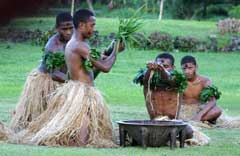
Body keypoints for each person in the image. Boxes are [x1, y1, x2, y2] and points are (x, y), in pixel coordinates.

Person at [19, 9, 123, 147]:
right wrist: (115, 51)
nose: (94, 29)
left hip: (79, 89)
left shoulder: (75, 44)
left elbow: (90, 71)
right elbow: (106, 67)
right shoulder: (78, 45)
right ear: (81, 25)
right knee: (82, 127)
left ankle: (76, 141)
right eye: (92, 25)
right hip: (81, 91)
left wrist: (102, 58)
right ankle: (75, 144)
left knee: (83, 122)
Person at [9, 12, 73, 132]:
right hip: (46, 81)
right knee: (37, 115)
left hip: (63, 79)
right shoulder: (52, 46)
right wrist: (75, 81)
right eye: (64, 29)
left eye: (71, 28)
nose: (68, 32)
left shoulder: (73, 41)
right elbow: (54, 74)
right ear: (57, 28)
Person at [180, 55, 222, 123]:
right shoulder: (179, 81)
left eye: (190, 68)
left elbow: (212, 101)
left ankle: (193, 121)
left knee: (217, 110)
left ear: (196, 67)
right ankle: (189, 122)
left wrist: (199, 115)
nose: (187, 71)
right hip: (183, 110)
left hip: (199, 109)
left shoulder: (205, 81)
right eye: (184, 69)